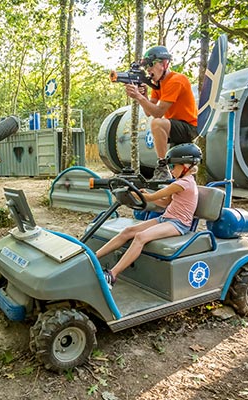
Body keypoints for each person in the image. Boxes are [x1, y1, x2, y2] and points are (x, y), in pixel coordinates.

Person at [96, 143, 201, 287]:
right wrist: (143, 194)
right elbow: (164, 203)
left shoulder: (184, 183)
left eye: (173, 167)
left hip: (178, 224)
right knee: (128, 231)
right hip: (166, 219)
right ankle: (93, 257)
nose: (170, 170)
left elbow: (153, 197)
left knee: (140, 237)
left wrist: (140, 195)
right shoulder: (180, 182)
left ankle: (112, 275)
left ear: (185, 166)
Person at [124, 45, 198, 181]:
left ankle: (162, 167)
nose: (149, 70)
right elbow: (148, 112)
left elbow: (158, 113)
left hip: (188, 127)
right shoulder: (159, 84)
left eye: (151, 65)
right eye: (146, 67)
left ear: (164, 64)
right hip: (174, 128)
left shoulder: (176, 80)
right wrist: (144, 96)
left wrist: (138, 97)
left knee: (157, 123)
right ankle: (168, 174)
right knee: (180, 173)